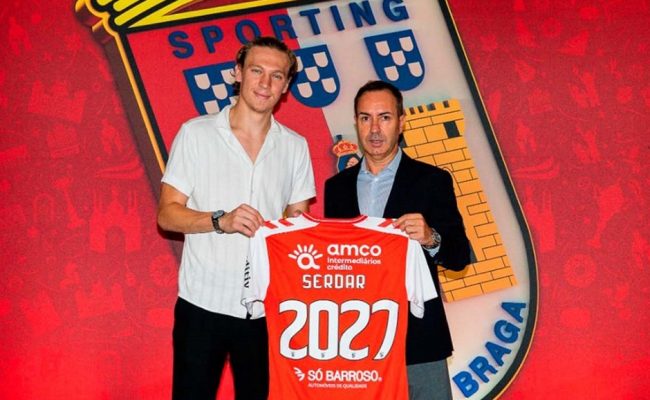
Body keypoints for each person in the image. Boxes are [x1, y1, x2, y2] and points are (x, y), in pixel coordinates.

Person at [157, 36, 316, 400]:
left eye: (277, 76)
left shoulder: (295, 146)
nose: (265, 83)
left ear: (286, 86)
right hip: (202, 304)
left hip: (266, 312)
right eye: (257, 71)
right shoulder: (196, 134)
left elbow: (299, 225)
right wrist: (220, 221)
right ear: (237, 73)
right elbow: (167, 214)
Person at [324, 80, 470, 400]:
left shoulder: (432, 180)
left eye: (385, 117)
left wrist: (431, 237)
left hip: (419, 341)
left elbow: (459, 256)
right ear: (356, 123)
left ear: (401, 122)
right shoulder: (336, 188)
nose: (375, 129)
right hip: (357, 342)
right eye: (366, 118)